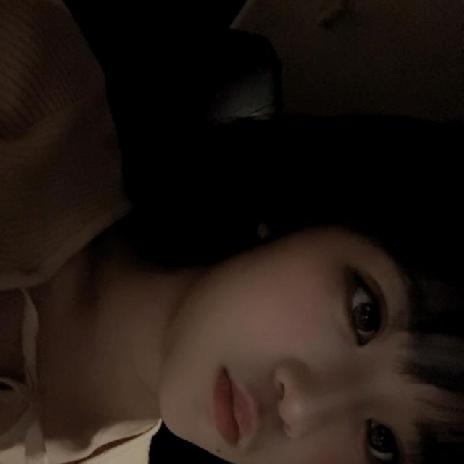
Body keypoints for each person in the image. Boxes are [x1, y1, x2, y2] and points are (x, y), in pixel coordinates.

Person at [1, 1, 463, 464]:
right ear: (320, 216)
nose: (301, 408)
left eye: (382, 442)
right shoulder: (27, 88)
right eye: (366, 314)